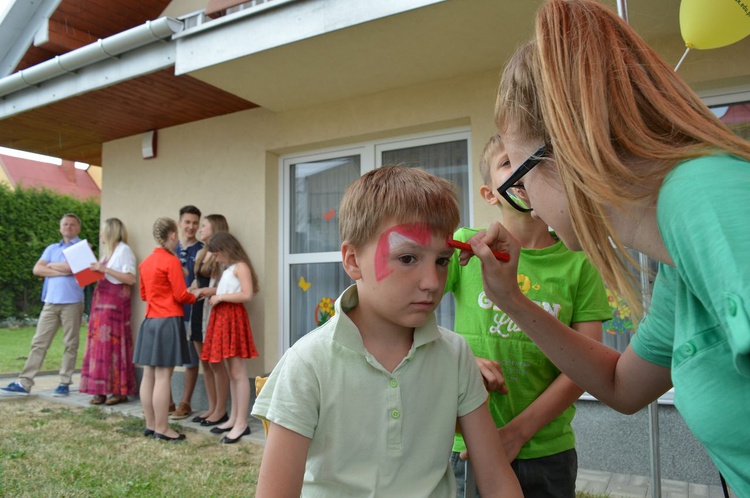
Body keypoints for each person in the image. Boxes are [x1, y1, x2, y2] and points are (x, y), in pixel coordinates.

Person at [465, 1, 750, 495]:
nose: (525, 201)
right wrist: (511, 299)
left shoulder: (702, 199)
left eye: (521, 179)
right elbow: (622, 386)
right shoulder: (677, 269)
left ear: (567, 148)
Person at [252, 166, 523, 497]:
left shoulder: (456, 355)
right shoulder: (307, 363)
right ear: (352, 261)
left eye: (442, 260)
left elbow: (496, 477)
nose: (433, 282)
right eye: (408, 258)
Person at [446, 135, 611, 497]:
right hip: (464, 446)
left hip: (547, 450)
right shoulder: (467, 246)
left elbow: (585, 367)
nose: (522, 170)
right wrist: (456, 359)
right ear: (489, 193)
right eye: (508, 162)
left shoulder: (579, 263)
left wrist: (518, 433)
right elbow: (409, 315)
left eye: (531, 161)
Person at [1, 213, 85, 397]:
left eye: (72, 225)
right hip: (50, 302)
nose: (68, 227)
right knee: (39, 342)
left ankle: (64, 382)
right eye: (65, 224)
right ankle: (25, 382)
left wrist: (53, 267)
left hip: (72, 303)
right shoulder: (52, 248)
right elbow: (37, 269)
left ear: (78, 228)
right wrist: (63, 268)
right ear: (60, 228)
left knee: (70, 344)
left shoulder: (81, 248)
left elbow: (75, 269)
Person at [133, 217, 197, 441]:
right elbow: (181, 295)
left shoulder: (146, 262)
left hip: (149, 321)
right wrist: (195, 295)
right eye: (176, 236)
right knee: (163, 377)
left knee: (148, 375)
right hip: (168, 320)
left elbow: (143, 295)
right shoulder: (170, 262)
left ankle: (151, 425)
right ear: (172, 235)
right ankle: (163, 428)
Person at [199, 231, 259, 444]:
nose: (215, 258)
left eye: (216, 254)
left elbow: (247, 293)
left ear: (225, 250)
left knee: (238, 372)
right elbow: (231, 288)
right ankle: (234, 417)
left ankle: (242, 423)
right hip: (224, 319)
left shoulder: (241, 266)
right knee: (233, 373)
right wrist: (213, 292)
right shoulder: (230, 268)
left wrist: (220, 296)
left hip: (232, 318)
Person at [79, 218, 138, 405]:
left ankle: (118, 391)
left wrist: (104, 269)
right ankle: (100, 389)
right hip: (101, 306)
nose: (100, 234)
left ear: (111, 231)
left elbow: (130, 279)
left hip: (114, 307)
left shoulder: (124, 251)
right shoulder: (108, 253)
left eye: (102, 230)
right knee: (99, 346)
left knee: (113, 346)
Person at [188, 214, 231, 427]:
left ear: (215, 228)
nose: (200, 228)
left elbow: (229, 287)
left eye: (204, 225)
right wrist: (193, 289)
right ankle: (212, 408)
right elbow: (198, 280)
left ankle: (221, 410)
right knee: (205, 363)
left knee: (216, 364)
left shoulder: (222, 256)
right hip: (198, 310)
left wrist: (205, 290)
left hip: (212, 313)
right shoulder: (201, 253)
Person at [171, 205, 203, 420]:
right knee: (166, 358)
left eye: (195, 223)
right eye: (187, 222)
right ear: (180, 223)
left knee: (191, 360)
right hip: (169, 312)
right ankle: (167, 401)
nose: (191, 226)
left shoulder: (202, 249)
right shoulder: (170, 249)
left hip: (191, 312)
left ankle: (185, 402)